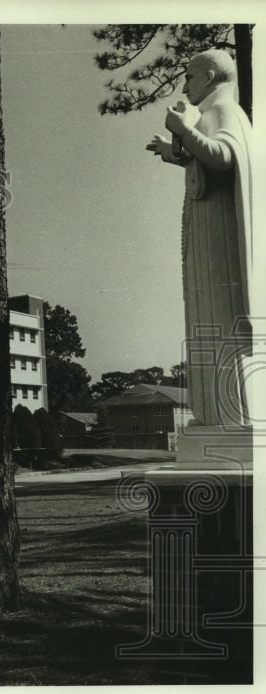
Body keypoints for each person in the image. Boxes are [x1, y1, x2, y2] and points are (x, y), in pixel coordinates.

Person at [146, 49, 252, 427]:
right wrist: (175, 152)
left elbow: (223, 156)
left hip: (219, 235)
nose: (185, 85)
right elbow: (207, 162)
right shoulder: (213, 111)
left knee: (218, 316)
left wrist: (183, 131)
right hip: (209, 227)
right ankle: (215, 412)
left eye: (190, 77)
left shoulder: (222, 110)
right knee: (206, 314)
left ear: (208, 76)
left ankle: (229, 413)